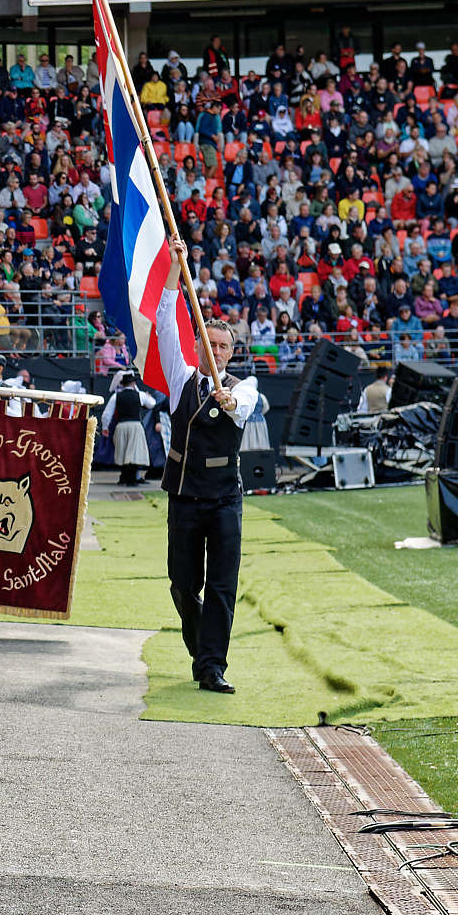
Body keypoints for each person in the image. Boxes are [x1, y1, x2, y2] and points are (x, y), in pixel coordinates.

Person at [156, 239, 260, 694]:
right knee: (183, 584)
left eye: (223, 347)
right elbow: (163, 321)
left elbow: (246, 405)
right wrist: (177, 270)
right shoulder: (181, 379)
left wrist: (231, 399)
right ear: (198, 345)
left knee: (222, 585)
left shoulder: (244, 385)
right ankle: (199, 645)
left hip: (223, 500)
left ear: (231, 354)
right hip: (183, 497)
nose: (216, 351)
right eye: (210, 343)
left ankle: (213, 666)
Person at [103, 368, 154, 485]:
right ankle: (130, 478)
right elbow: (152, 403)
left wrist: (105, 427)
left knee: (122, 452)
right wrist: (146, 395)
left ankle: (125, 477)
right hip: (135, 426)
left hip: (121, 425)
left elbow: (107, 414)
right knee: (134, 453)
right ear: (133, 383)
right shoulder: (140, 395)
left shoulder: (116, 396)